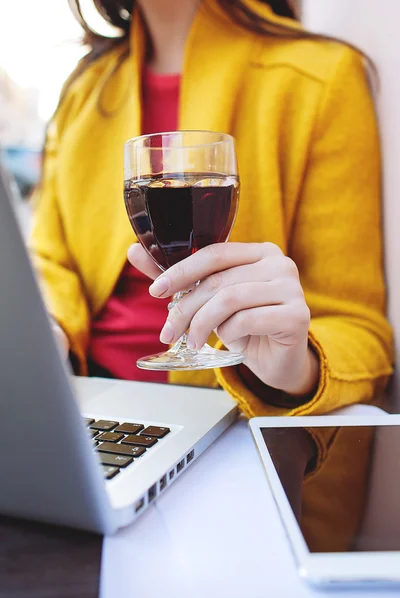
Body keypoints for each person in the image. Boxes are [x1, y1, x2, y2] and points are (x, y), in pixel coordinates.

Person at [30, 0, 393, 472]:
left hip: (237, 443)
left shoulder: (321, 77)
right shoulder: (82, 93)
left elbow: (359, 331)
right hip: (80, 421)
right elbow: (48, 265)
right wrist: (44, 335)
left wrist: (292, 366)